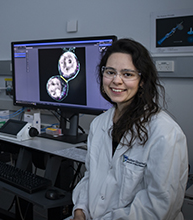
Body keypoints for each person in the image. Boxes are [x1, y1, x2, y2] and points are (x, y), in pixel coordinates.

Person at [70, 38, 188, 220]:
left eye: (127, 74)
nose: (116, 81)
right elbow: (90, 177)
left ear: (142, 80)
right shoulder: (99, 124)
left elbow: (158, 207)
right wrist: (80, 209)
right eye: (110, 72)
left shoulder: (165, 133)